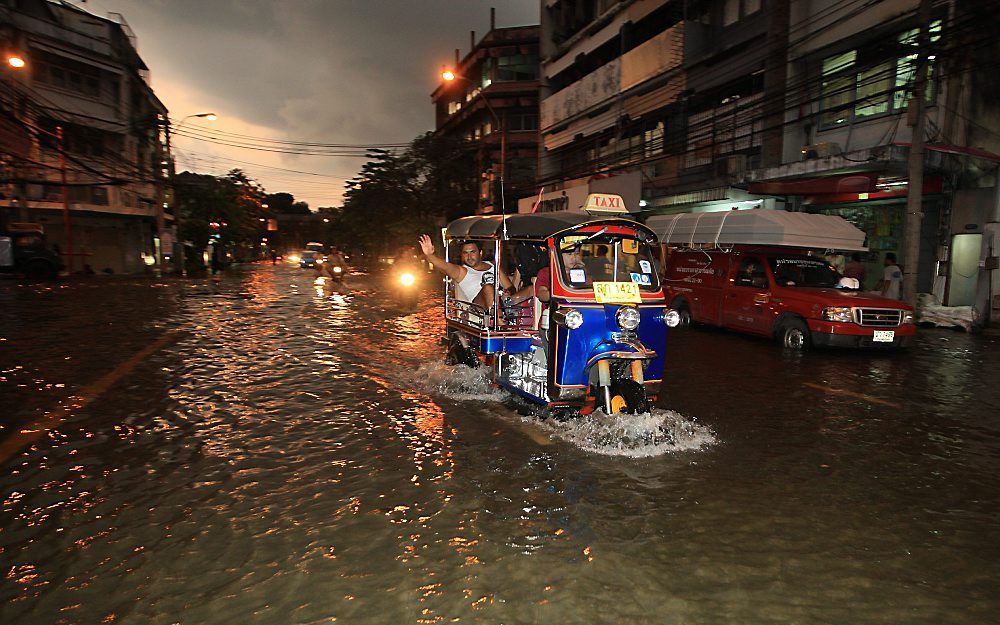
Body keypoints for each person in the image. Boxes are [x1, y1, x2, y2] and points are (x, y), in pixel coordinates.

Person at [418, 234, 496, 309]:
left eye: (472, 252)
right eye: (465, 253)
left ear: (480, 253)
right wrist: (430, 255)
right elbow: (445, 266)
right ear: (462, 255)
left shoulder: (493, 266)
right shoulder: (461, 272)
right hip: (479, 308)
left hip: (500, 303)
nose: (469, 257)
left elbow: (508, 287)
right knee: (488, 287)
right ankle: (498, 321)